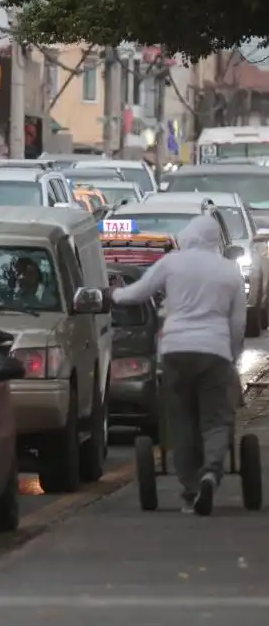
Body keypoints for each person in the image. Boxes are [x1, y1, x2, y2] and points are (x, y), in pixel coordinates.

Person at [105, 215, 246, 516]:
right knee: (216, 419)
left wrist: (114, 294)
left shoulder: (173, 263)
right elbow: (238, 323)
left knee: (180, 420)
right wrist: (231, 355)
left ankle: (191, 489)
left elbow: (138, 292)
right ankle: (211, 472)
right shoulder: (229, 272)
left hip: (176, 349)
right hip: (215, 351)